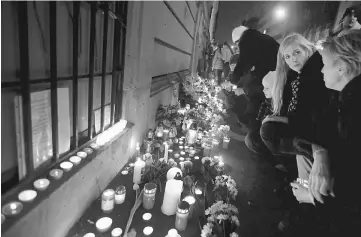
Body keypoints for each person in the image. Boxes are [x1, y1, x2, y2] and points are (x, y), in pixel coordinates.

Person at [289, 31, 361, 237]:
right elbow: (321, 123)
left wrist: (311, 196)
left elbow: (353, 197)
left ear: (342, 67)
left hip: (347, 216)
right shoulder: (345, 97)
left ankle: (310, 218)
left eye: (326, 63)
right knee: (305, 152)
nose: (321, 69)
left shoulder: (354, 112)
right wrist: (321, 154)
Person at [260, 33, 330, 159]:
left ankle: (283, 165)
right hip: (302, 125)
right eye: (287, 56)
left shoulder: (313, 73)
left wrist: (276, 119)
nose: (293, 59)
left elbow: (306, 117)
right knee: (264, 131)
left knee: (267, 130)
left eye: (297, 52)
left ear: (307, 49)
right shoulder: (296, 74)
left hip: (315, 131)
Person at [230, 25, 279, 131]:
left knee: (256, 95)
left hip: (272, 74)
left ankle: (254, 130)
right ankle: (253, 127)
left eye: (237, 44)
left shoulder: (247, 39)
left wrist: (232, 80)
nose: (238, 47)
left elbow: (243, 63)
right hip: (273, 71)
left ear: (239, 40)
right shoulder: (258, 38)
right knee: (255, 92)